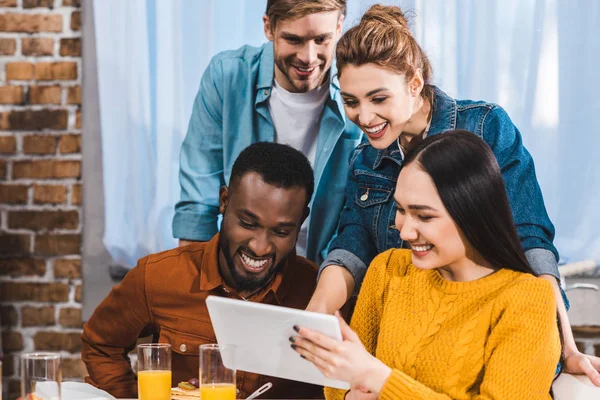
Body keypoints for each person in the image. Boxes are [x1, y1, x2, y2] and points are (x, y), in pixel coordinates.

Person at [306, 4, 600, 383]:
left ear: (414, 84)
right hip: (406, 347)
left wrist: (565, 342)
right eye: (351, 101)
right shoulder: (366, 158)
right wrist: (316, 311)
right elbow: (353, 242)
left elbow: (529, 238)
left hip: (482, 341)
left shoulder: (485, 128)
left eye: (378, 99)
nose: (364, 117)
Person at [293, 130, 562, 399]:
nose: (405, 231)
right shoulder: (387, 269)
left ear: (473, 213)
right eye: (400, 210)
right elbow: (342, 384)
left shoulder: (528, 300)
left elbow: (366, 373)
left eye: (424, 216)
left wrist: (379, 379)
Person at [82, 143, 323, 399]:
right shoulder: (158, 276)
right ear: (224, 201)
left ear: (302, 220)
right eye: (247, 223)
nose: (260, 247)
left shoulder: (320, 295)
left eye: (281, 232)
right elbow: (101, 345)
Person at [172, 0, 362, 264]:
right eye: (293, 39)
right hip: (239, 270)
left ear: (339, 26)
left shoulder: (360, 91)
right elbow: (198, 206)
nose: (308, 57)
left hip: (322, 274)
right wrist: (197, 288)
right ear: (268, 28)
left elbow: (359, 220)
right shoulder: (227, 77)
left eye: (321, 39)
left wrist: (330, 289)